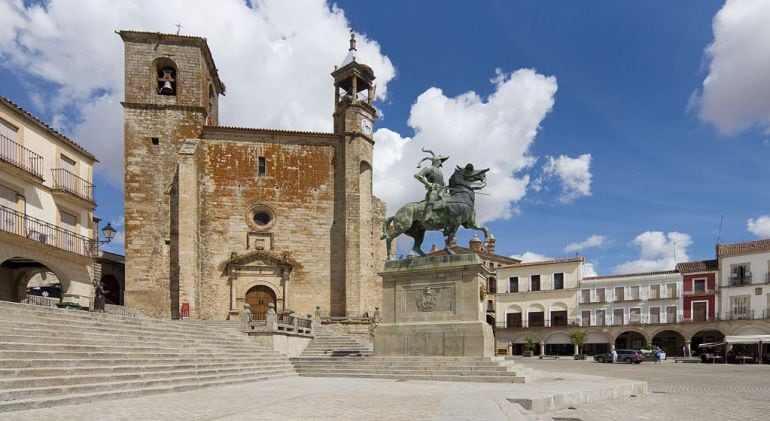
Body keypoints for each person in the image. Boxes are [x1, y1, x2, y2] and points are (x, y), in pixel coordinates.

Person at [414, 148, 449, 225]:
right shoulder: (429, 168)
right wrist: (428, 184)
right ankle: (427, 216)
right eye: (441, 161)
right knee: (432, 199)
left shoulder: (440, 171)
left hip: (441, 191)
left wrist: (446, 186)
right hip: (433, 190)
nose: (441, 163)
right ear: (437, 160)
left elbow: (442, 183)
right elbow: (418, 175)